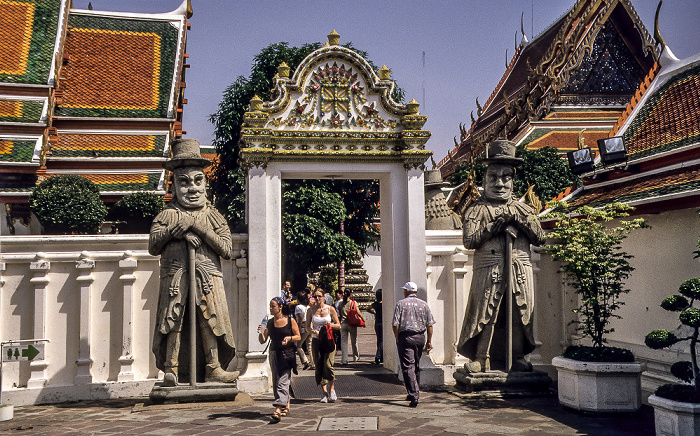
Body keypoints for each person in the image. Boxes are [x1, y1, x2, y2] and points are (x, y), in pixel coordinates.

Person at [149, 139, 238, 386]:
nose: (192, 188)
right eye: (184, 182)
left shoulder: (212, 215)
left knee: (209, 319)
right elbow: (153, 245)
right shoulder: (166, 214)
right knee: (173, 320)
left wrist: (199, 227)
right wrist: (174, 232)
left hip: (207, 277)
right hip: (175, 276)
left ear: (205, 184)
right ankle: (172, 368)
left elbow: (227, 248)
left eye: (198, 181)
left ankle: (213, 367)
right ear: (174, 185)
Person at [456, 140, 545, 373]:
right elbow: (469, 240)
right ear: (484, 181)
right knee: (486, 312)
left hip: (519, 267)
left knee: (519, 312)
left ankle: (516, 357)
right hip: (490, 267)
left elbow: (540, 237)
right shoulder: (477, 209)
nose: (499, 183)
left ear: (513, 182)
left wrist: (518, 221)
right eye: (493, 177)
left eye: (506, 177)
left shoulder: (523, 209)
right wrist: (491, 230)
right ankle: (481, 356)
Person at [392, 281, 435, 408]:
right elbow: (430, 325)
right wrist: (429, 341)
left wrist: (397, 337)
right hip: (420, 337)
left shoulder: (401, 303)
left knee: (408, 366)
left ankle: (414, 394)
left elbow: (395, 324)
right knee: (415, 365)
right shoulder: (424, 304)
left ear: (406, 291)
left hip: (406, 337)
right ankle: (413, 392)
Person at [258, 297, 300, 422]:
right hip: (274, 353)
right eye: (270, 306)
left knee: (283, 380)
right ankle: (285, 403)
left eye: (273, 306)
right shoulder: (270, 322)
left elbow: (298, 336)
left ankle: (277, 409)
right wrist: (261, 332)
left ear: (280, 307)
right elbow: (262, 341)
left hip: (287, 354)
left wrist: (289, 339)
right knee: (277, 381)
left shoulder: (290, 320)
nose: (271, 309)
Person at [306, 288, 341, 403]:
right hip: (317, 340)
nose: (317, 298)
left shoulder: (330, 309)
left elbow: (338, 325)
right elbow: (307, 327)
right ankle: (324, 392)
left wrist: (329, 325)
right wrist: (314, 332)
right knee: (319, 366)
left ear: (323, 297)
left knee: (328, 364)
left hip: (329, 340)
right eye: (315, 296)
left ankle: (332, 388)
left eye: (319, 296)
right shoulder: (310, 310)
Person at [337, 289, 362, 364]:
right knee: (354, 341)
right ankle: (356, 357)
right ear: (350, 294)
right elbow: (358, 312)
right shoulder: (353, 303)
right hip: (352, 324)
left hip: (343, 324)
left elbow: (340, 314)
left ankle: (344, 359)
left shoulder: (340, 303)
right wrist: (363, 320)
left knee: (344, 342)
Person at [295, 291, 314, 370]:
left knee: (298, 345)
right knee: (309, 345)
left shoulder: (298, 307)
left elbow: (300, 318)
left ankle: (305, 361)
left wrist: (298, 329)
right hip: (310, 325)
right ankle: (313, 363)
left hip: (303, 325)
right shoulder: (308, 307)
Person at [367, 289, 383, 364]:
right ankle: (378, 356)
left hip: (377, 322)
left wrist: (374, 313)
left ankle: (381, 356)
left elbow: (368, 308)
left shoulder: (375, 304)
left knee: (379, 340)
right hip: (383, 322)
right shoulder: (384, 304)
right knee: (382, 340)